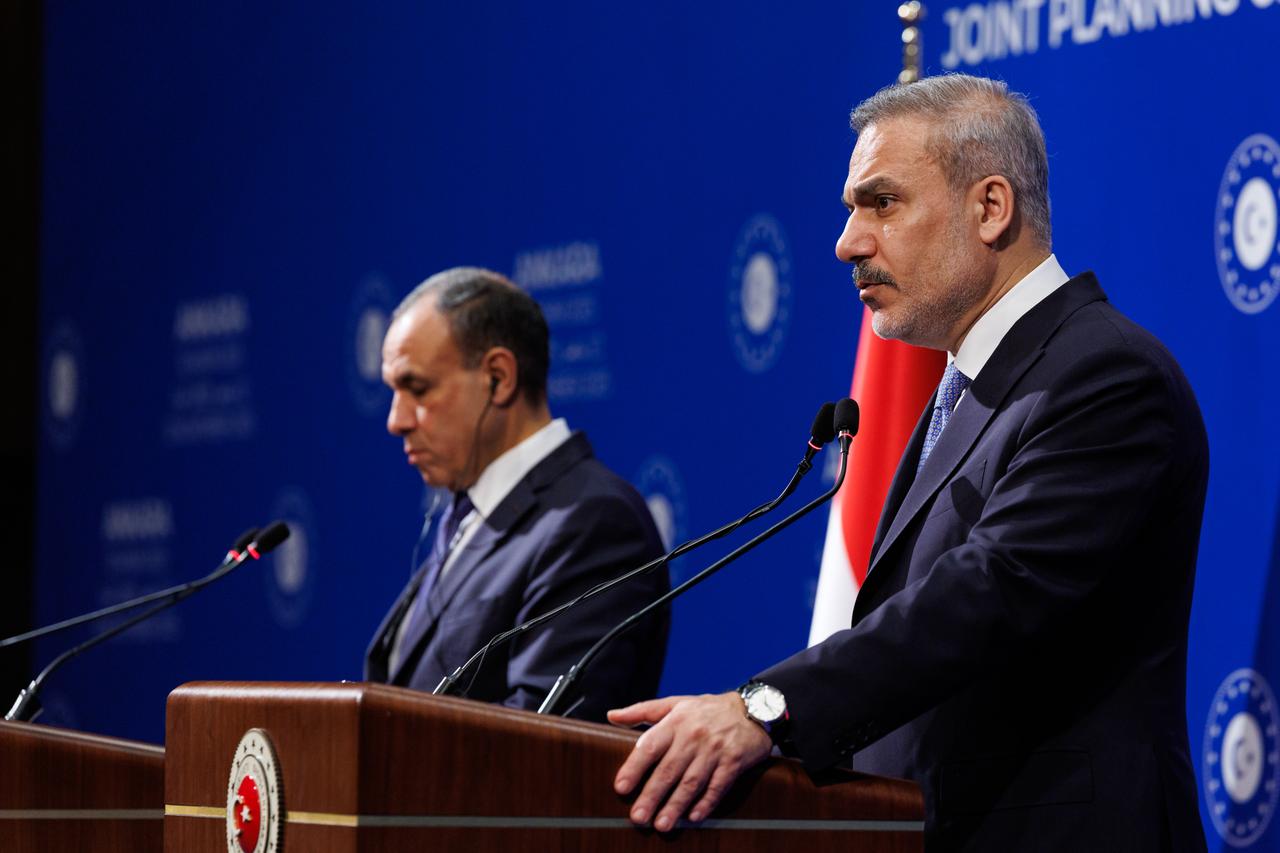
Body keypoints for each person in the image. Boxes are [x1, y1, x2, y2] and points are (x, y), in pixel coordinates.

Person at [608, 74, 1209, 851]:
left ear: (990, 208)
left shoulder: (1105, 376)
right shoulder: (963, 389)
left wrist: (767, 707)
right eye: (852, 208)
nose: (847, 242)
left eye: (882, 203)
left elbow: (989, 590)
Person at [365, 267, 668, 721]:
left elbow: (543, 742)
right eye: (393, 392)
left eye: (418, 388)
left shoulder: (593, 521)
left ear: (499, 378)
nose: (396, 420)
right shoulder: (470, 514)